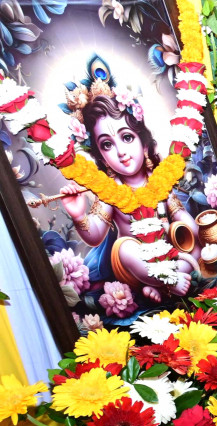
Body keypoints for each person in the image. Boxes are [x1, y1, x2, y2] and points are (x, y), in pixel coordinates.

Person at [59, 93, 199, 303]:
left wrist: (197, 231)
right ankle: (167, 281)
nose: (121, 152)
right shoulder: (109, 190)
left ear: (144, 144)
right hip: (136, 266)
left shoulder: (159, 179)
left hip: (169, 253)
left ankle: (161, 284)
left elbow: (180, 215)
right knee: (124, 248)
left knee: (193, 245)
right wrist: (79, 216)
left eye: (126, 138)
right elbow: (95, 236)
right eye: (107, 145)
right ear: (102, 158)